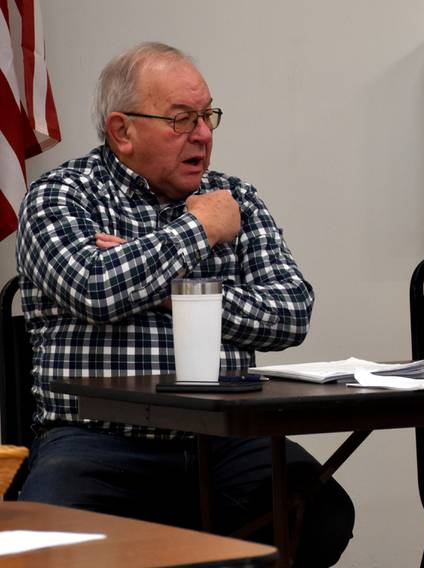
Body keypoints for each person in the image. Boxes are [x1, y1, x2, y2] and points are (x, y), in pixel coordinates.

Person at [16, 42, 353, 567]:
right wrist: (198, 230)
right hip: (96, 440)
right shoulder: (60, 196)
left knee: (319, 511)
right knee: (50, 541)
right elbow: (96, 289)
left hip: (222, 436)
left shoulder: (233, 198)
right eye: (181, 119)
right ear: (122, 131)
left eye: (206, 115)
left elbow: (290, 314)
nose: (203, 134)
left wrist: (176, 292)